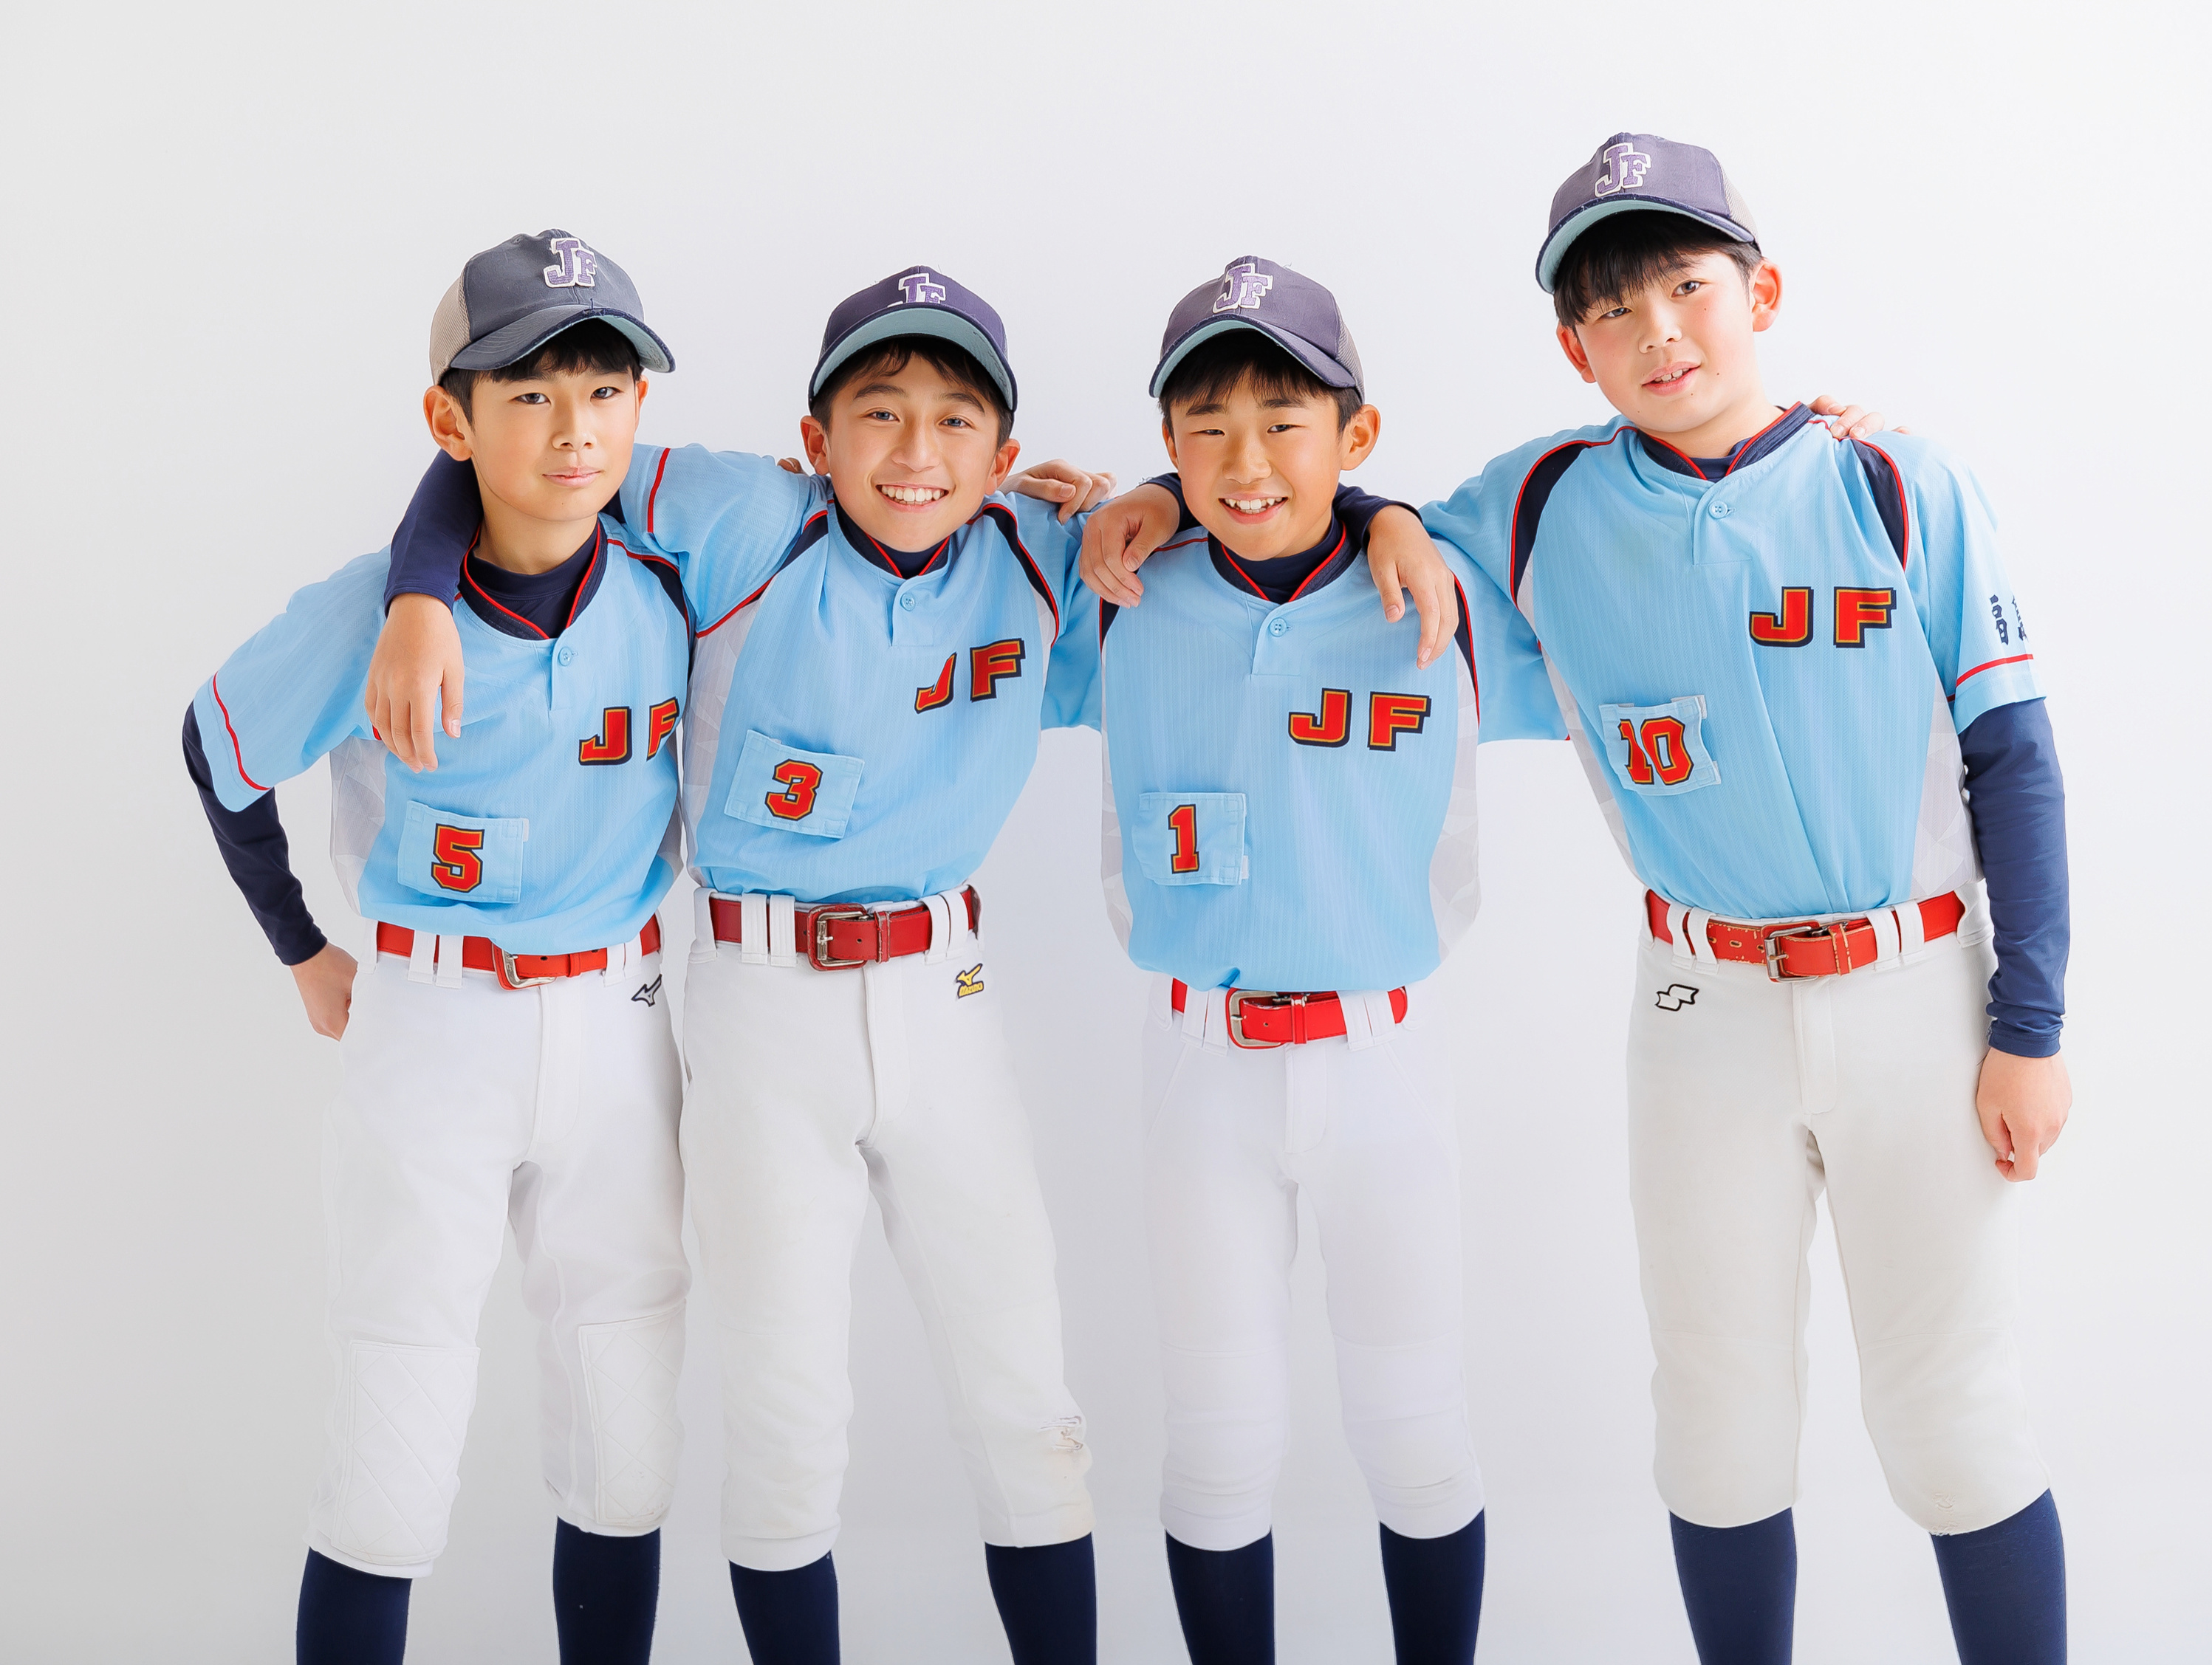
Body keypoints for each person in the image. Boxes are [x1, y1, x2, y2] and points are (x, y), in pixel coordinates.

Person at [1419, 136, 2071, 1665]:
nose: (1656, 331)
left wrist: (2030, 1024)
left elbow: (2014, 757)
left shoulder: (1891, 479)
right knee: (1716, 1416)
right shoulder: (1539, 504)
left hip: (1917, 992)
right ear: (1572, 347)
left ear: (1759, 292)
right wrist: (1318, 516)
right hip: (1699, 1005)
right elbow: (1336, 536)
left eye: (1686, 287)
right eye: (1610, 307)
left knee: (1955, 1417)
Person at [182, 229, 694, 1664]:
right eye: (528, 393)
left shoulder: (675, 578)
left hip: (621, 1026)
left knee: (627, 1441)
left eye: (605, 389)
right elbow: (217, 745)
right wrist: (302, 949)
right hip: (433, 1029)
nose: (574, 427)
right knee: (393, 1452)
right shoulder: (375, 610)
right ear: (449, 421)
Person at [1083, 256, 1565, 1665]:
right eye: (1207, 430)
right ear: (1167, 445)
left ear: (1357, 433)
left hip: (1384, 1058)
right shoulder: (1119, 585)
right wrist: (1145, 501)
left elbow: (1606, 500)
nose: (1247, 463)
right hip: (1201, 1061)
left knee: (1414, 1430)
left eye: (1286, 423)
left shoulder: (1442, 591)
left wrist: (1387, 515)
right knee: (1219, 1441)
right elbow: (929, 540)